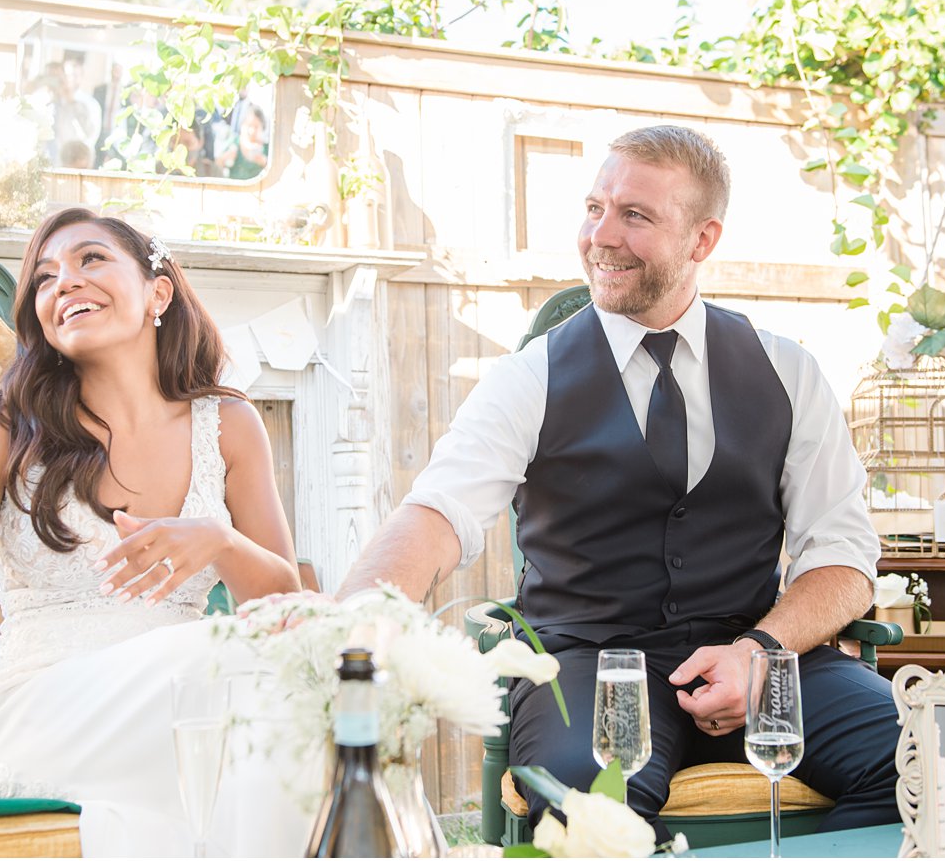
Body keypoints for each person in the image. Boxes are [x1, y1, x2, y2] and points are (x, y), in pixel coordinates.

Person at [340, 124, 900, 838]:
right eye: (595, 207)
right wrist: (353, 621)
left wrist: (758, 653)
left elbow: (843, 560)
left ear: (702, 241)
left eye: (635, 215)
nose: (600, 235)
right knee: (586, 806)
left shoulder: (789, 373)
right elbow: (439, 512)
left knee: (922, 758)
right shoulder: (529, 379)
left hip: (757, 656)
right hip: (593, 669)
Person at [0, 207, 301, 854]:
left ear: (159, 291)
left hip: (191, 707)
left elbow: (281, 602)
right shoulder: (5, 429)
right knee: (255, 684)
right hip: (44, 712)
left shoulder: (230, 425)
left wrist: (220, 538)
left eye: (90, 259)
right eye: (44, 279)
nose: (64, 282)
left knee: (287, 692)